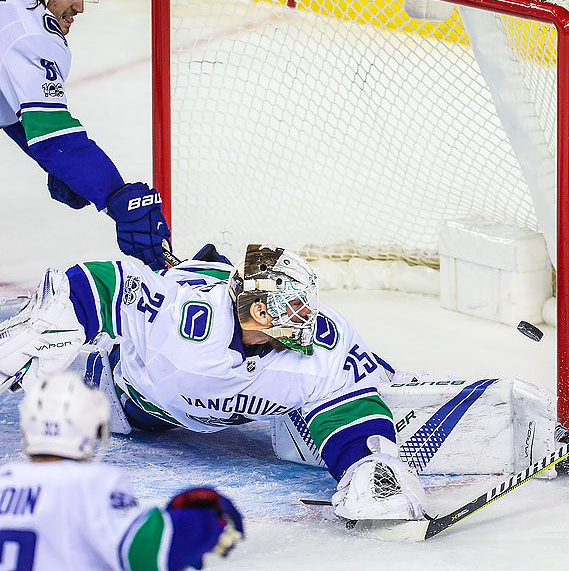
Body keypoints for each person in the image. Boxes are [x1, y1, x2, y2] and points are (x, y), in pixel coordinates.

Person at [0, 243, 427, 521]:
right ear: (260, 311)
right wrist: (61, 310)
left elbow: (350, 390)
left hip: (214, 408)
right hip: (130, 398)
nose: (307, 315)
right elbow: (111, 284)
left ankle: (335, 449)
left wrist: (368, 459)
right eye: (294, 305)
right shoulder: (184, 319)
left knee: (337, 395)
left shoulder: (322, 342)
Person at [0, 0, 170, 270]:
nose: (79, 7)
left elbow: (12, 112)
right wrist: (118, 198)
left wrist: (72, 169)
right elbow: (53, 139)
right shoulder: (31, 34)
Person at [0, 372, 243, 570]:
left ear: (26, 430)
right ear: (93, 429)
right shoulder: (92, 484)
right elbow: (146, 550)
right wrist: (206, 521)